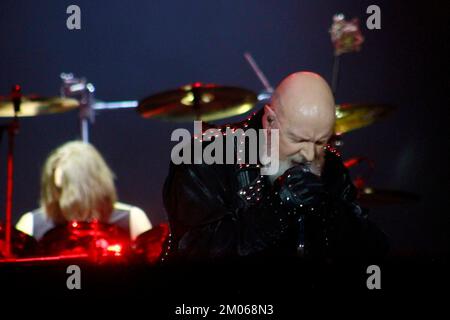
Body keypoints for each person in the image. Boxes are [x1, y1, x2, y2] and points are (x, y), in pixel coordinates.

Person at [163, 71, 388, 261]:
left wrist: (330, 210)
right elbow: (192, 254)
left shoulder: (331, 166)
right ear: (269, 121)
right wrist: (276, 209)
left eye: (321, 142)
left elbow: (374, 251)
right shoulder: (204, 157)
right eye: (298, 140)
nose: (309, 154)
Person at [16, 141, 152, 241]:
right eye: (58, 189)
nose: (62, 197)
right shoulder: (31, 224)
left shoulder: (131, 219)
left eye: (68, 189)